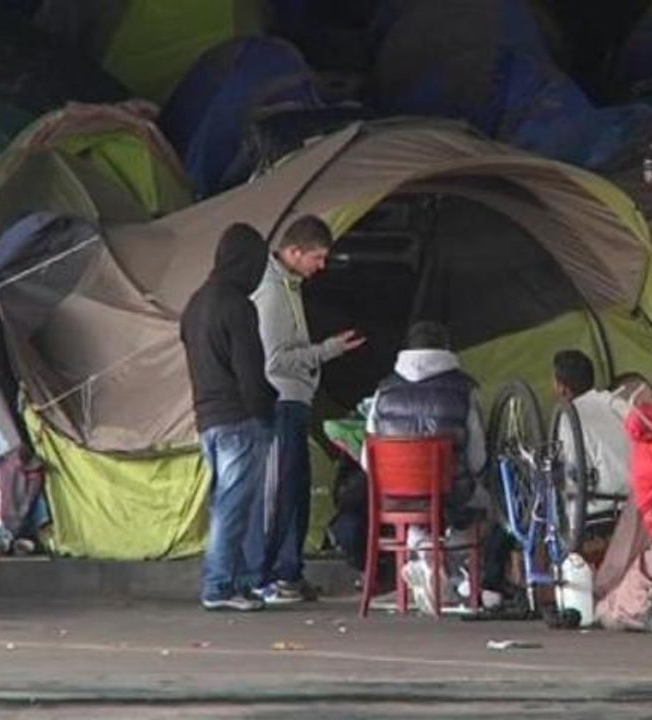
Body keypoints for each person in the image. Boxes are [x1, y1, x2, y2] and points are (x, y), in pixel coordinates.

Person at [245, 215, 366, 604]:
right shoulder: (272, 292)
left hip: (296, 400)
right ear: (294, 252)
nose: (321, 266)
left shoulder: (289, 285)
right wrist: (328, 351)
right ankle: (265, 576)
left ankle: (288, 573)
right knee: (281, 491)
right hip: (282, 400)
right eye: (317, 257)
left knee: (295, 490)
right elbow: (276, 359)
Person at [365, 320, 504, 615]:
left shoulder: (384, 391)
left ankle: (423, 548)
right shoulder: (464, 389)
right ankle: (453, 569)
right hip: (451, 495)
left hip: (394, 498)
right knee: (491, 509)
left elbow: (369, 460)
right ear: (447, 349)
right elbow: (477, 458)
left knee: (422, 507)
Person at [181, 223, 278, 612]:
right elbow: (250, 373)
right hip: (240, 419)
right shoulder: (238, 306)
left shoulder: (195, 304)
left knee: (226, 503)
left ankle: (235, 581)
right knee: (234, 507)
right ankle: (220, 586)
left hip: (207, 418)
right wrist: (266, 409)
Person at [552, 350, 632, 515]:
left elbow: (574, 471)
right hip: (640, 492)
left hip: (607, 506)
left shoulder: (568, 417)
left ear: (563, 389)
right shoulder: (613, 401)